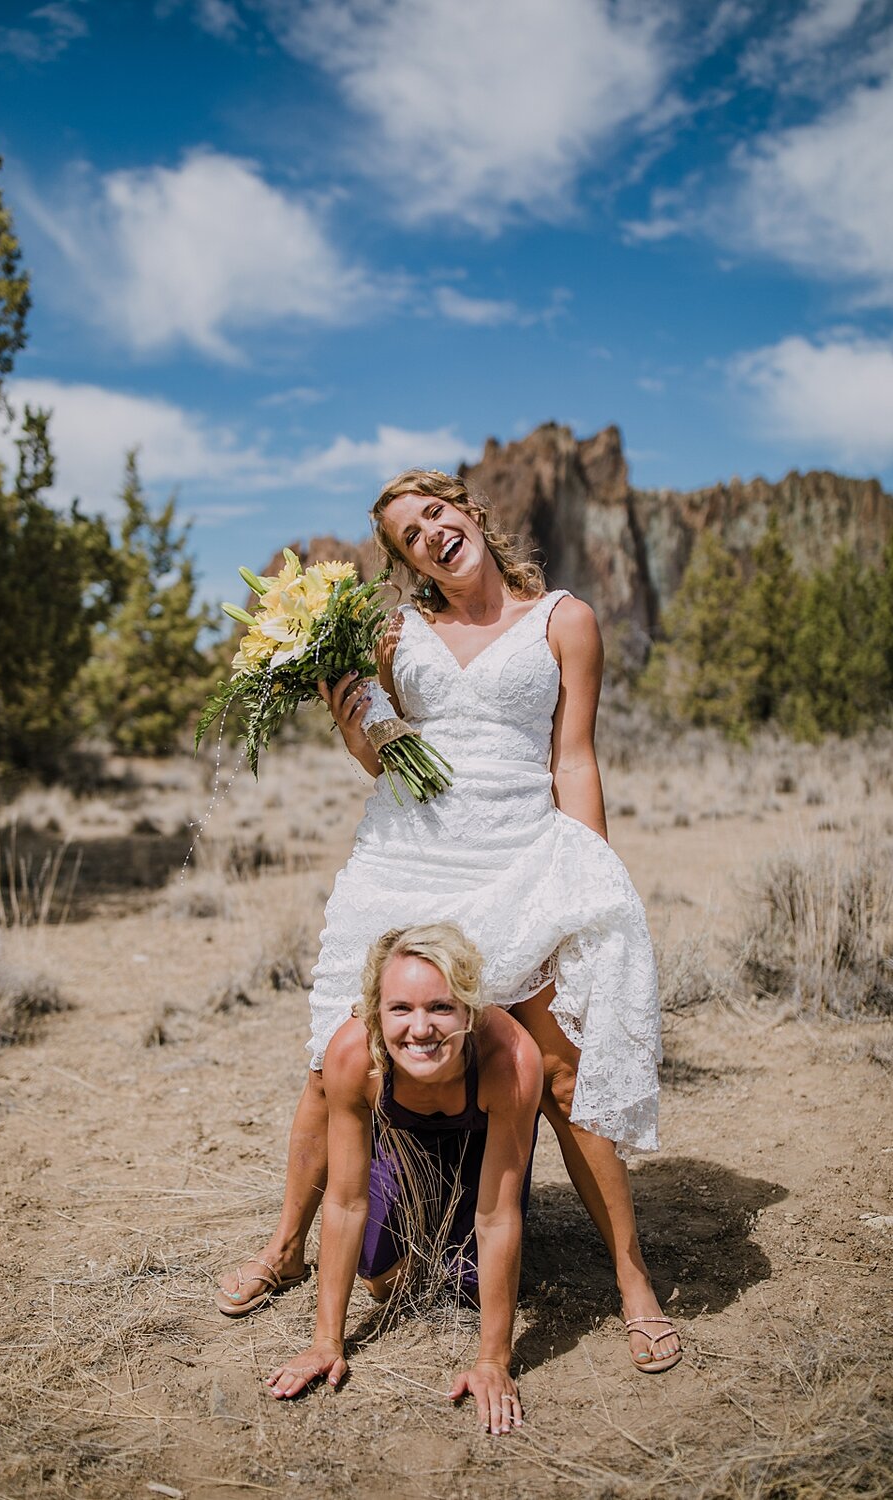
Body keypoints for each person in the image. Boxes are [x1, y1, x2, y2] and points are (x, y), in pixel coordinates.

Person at [217, 468, 681, 1374]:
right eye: (407, 536)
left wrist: (589, 879)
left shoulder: (564, 619)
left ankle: (633, 1281)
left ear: (469, 511)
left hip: (519, 858)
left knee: (554, 1071)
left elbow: (575, 758)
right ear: (403, 562)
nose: (430, 534)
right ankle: (285, 1250)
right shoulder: (393, 632)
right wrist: (356, 728)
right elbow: (378, 752)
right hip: (403, 862)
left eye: (435, 514)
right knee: (333, 1067)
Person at [265, 923, 541, 1435]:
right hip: (402, 1151)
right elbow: (346, 1203)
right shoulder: (352, 1054)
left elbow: (498, 1217)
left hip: (480, 1157)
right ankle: (426, 1216)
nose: (420, 1029)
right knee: (378, 1279)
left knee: (470, 1286)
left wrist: (493, 1362)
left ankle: (447, 1226)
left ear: (469, 1009)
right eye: (400, 1009)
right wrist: (328, 1341)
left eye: (440, 1007)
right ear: (374, 1013)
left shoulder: (513, 1060)